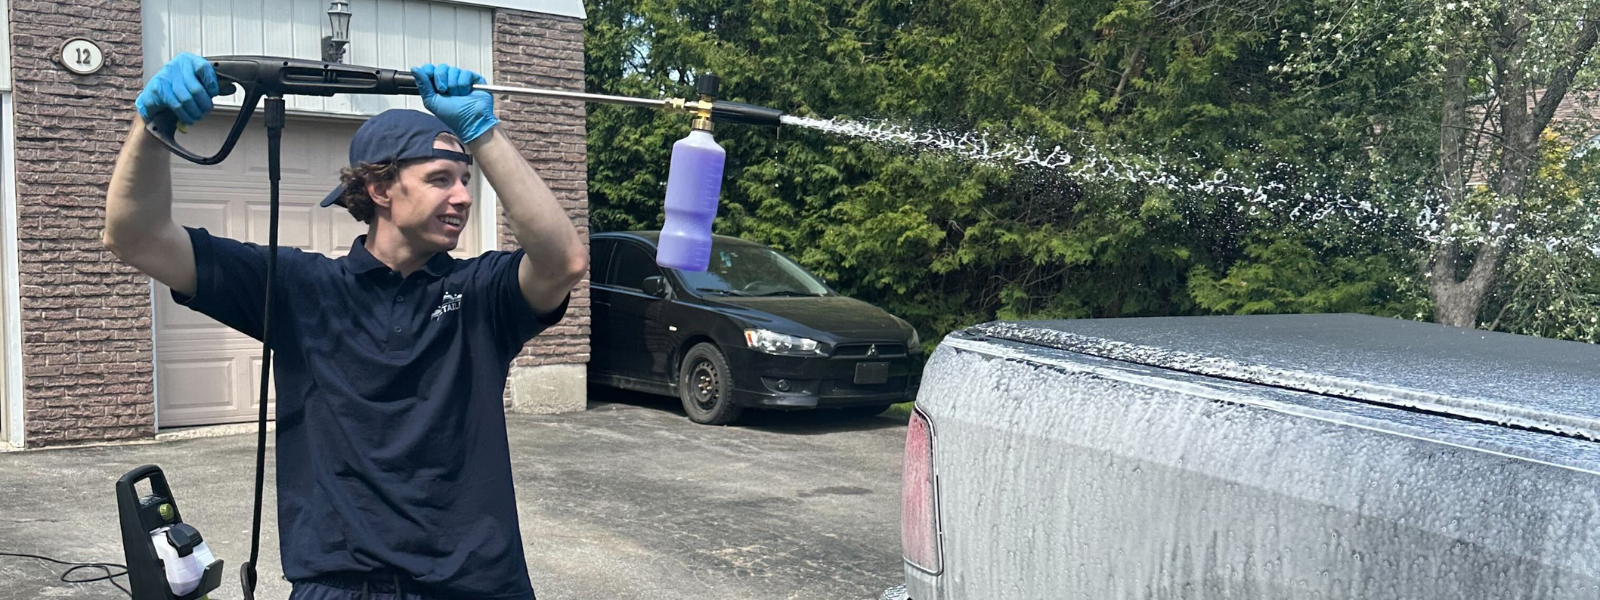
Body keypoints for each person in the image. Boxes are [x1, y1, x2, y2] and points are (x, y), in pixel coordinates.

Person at [104, 52, 587, 600]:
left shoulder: (481, 293)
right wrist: (152, 123)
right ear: (380, 190)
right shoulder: (300, 289)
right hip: (338, 583)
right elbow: (135, 237)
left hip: (474, 583)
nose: (464, 197)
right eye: (439, 179)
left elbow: (563, 261)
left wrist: (483, 134)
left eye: (466, 180)